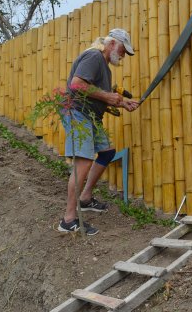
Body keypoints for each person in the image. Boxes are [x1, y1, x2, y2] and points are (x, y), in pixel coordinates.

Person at [59, 28, 139, 235]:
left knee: (107, 152)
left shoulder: (105, 68)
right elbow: (76, 85)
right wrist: (106, 96)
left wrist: (124, 103)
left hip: (91, 116)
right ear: (112, 43)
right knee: (84, 162)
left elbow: (100, 95)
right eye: (122, 50)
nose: (123, 55)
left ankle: (85, 198)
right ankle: (68, 220)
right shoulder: (94, 56)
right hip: (77, 112)